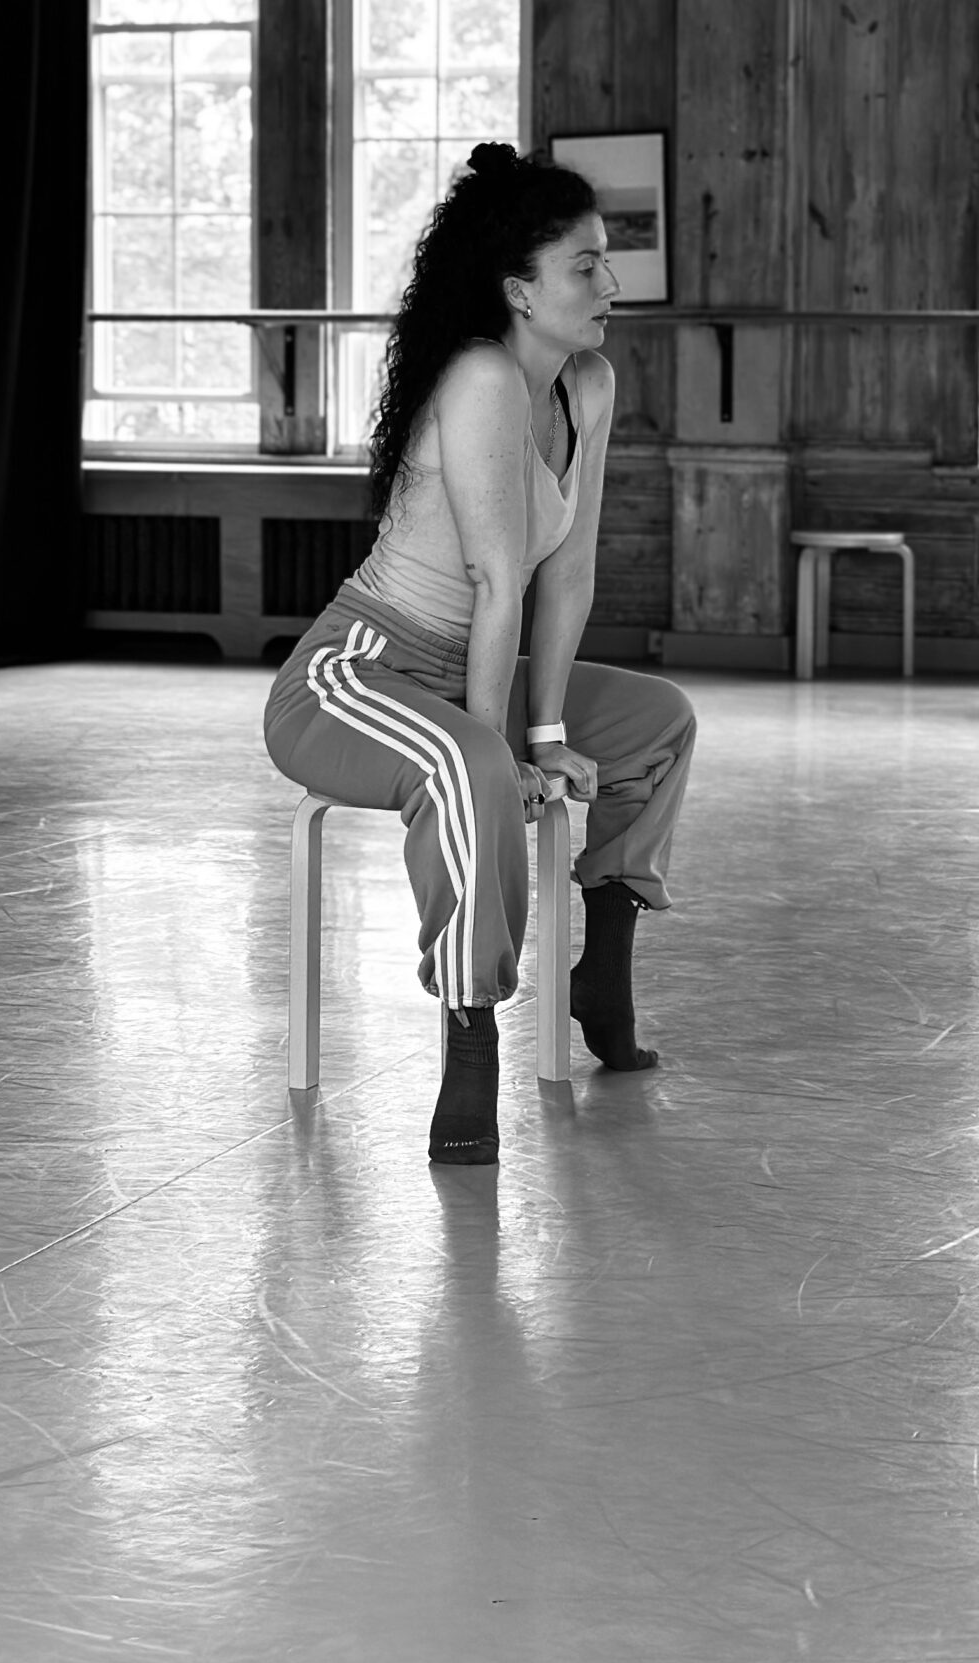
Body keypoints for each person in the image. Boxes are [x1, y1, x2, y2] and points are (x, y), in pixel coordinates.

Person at [263, 143, 698, 1167]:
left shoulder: (587, 386)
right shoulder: (482, 377)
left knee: (658, 724)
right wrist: (515, 747)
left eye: (607, 259)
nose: (611, 283)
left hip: (470, 672)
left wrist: (546, 730)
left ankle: (603, 971)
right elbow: (499, 580)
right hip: (355, 673)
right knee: (472, 764)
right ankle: (470, 1035)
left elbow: (569, 577)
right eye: (584, 266)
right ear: (519, 289)